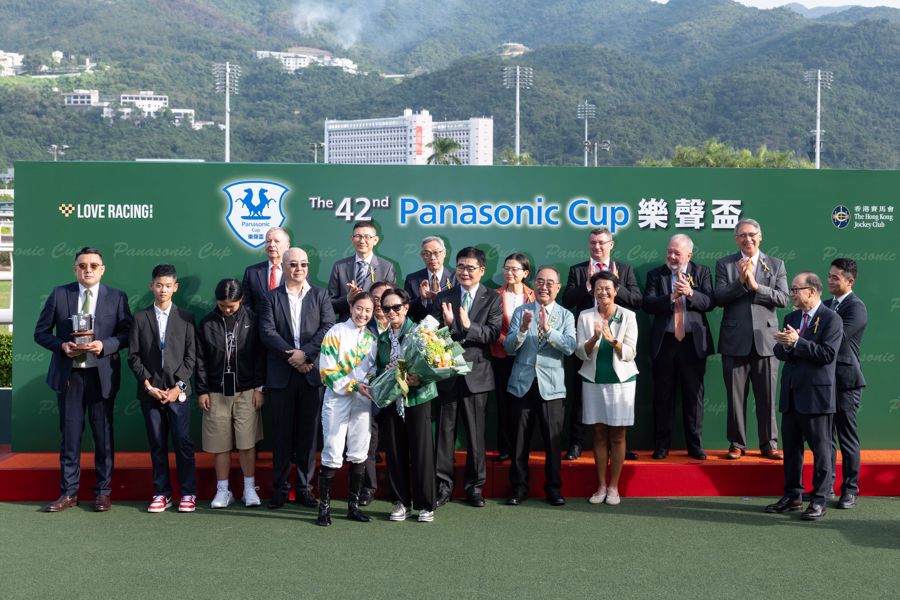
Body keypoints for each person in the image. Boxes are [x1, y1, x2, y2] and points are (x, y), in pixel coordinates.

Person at [33, 247, 133, 512]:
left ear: (102, 269)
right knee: (70, 437)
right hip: (70, 377)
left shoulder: (117, 297)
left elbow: (127, 333)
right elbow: (41, 332)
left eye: (93, 265)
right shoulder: (59, 294)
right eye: (82, 265)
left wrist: (105, 345)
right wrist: (61, 346)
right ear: (74, 269)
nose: (88, 270)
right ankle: (69, 493)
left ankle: (103, 492)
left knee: (104, 437)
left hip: (102, 376)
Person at [258, 247, 335, 509]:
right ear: (284, 266)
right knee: (281, 435)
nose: (299, 268)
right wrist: (293, 356)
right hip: (282, 375)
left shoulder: (321, 295)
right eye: (293, 264)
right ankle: (280, 489)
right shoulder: (271, 297)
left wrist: (306, 355)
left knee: (308, 436)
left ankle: (304, 488)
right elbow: (267, 332)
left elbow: (328, 328)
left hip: (312, 374)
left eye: (303, 264)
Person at [766, 272, 842, 521]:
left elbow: (827, 355)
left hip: (816, 397)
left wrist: (797, 342)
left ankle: (819, 500)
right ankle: (792, 496)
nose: (792, 295)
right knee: (792, 449)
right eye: (791, 290)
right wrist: (786, 345)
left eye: (795, 290)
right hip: (791, 394)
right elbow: (780, 351)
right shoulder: (792, 317)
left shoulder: (831, 319)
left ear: (811, 291)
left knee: (821, 451)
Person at [562, 226, 641, 461]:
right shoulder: (578, 270)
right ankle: (576, 443)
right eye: (593, 243)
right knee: (580, 396)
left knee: (619, 400)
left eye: (601, 242)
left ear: (611, 245)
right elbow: (567, 300)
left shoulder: (624, 270)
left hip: (617, 344)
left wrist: (615, 285)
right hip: (587, 341)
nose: (597, 247)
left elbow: (637, 300)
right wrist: (588, 284)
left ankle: (620, 447)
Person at [431, 247, 502, 508]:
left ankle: (475, 488)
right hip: (448, 374)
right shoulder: (444, 296)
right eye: (460, 266)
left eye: (470, 268)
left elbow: (492, 334)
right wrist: (451, 326)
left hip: (477, 376)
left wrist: (468, 326)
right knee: (444, 435)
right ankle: (442, 487)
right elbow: (433, 334)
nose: (464, 272)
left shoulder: (492, 298)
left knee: (475, 435)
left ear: (482, 270)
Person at [714, 218, 789, 460]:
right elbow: (719, 297)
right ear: (736, 239)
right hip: (734, 340)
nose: (748, 239)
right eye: (743, 235)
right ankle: (736, 444)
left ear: (760, 236)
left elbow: (783, 298)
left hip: (766, 341)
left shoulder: (776, 264)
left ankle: (769, 444)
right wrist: (740, 282)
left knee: (767, 397)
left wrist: (756, 286)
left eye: (752, 234)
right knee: (735, 398)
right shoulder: (725, 264)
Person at [127, 264, 198, 513]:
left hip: (178, 393)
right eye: (159, 285)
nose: (163, 290)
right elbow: (133, 357)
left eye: (168, 286)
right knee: (157, 444)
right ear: (151, 286)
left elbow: (191, 357)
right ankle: (161, 493)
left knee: (183, 443)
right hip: (151, 393)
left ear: (175, 287)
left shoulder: (187, 318)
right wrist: (148, 385)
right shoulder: (140, 318)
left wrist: (178, 388)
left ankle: (188, 493)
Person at [504, 266, 576, 507]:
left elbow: (570, 347)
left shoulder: (566, 315)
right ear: (533, 284)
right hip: (521, 385)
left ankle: (553, 489)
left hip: (552, 388)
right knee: (519, 442)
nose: (544, 287)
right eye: (540, 281)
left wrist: (548, 330)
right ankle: (518, 489)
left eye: (550, 283)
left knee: (552, 443)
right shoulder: (521, 311)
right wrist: (523, 329)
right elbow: (508, 347)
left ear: (558, 287)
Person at [195, 278, 266, 508]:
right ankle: (223, 490)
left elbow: (260, 356)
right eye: (222, 305)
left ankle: (249, 489)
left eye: (231, 306)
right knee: (220, 444)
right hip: (216, 392)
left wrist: (259, 388)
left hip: (247, 390)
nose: (226, 310)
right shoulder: (207, 322)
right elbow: (200, 360)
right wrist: (202, 390)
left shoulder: (253, 320)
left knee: (247, 443)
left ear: (241, 300)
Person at [643, 234, 714, 460]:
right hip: (665, 343)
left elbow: (710, 302)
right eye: (669, 252)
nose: (672, 257)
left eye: (677, 253)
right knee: (663, 396)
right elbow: (647, 304)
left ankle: (695, 445)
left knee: (694, 397)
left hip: (693, 344)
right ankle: (661, 446)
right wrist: (671, 297)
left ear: (689, 255)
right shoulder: (656, 274)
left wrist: (690, 293)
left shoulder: (701, 272)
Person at [575, 271, 639, 506]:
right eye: (598, 288)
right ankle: (601, 486)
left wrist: (612, 340)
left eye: (607, 288)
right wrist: (594, 338)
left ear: (616, 290)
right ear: (592, 291)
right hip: (593, 380)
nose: (603, 292)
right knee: (599, 433)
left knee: (618, 434)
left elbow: (630, 352)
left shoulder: (628, 315)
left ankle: (614, 487)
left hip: (621, 382)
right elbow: (579, 352)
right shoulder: (585, 316)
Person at [376, 287, 438, 522]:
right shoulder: (382, 339)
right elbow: (376, 370)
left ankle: (426, 504)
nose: (391, 312)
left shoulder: (421, 332)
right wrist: (385, 372)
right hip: (391, 400)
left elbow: (436, 364)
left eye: (396, 307)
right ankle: (400, 502)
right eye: (386, 308)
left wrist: (419, 378)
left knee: (421, 452)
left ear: (406, 308)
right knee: (394, 451)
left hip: (418, 397)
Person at [317, 292, 379, 526]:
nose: (363, 314)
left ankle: (353, 507)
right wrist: (354, 385)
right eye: (359, 308)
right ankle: (324, 509)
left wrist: (370, 383)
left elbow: (372, 370)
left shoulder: (371, 338)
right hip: (338, 398)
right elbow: (326, 371)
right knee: (332, 450)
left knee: (359, 450)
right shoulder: (336, 332)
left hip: (362, 401)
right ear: (351, 307)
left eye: (368, 310)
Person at [824, 258, 867, 509]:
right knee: (826, 437)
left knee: (846, 437)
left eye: (835, 277)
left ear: (850, 281)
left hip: (847, 382)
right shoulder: (826, 305)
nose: (830, 281)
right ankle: (826, 487)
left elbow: (835, 339)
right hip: (824, 382)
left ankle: (850, 489)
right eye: (829, 276)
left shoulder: (856, 308)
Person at [490, 253, 534, 463]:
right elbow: (491, 325)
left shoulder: (534, 295)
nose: (509, 272)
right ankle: (505, 447)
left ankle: (522, 448)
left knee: (523, 406)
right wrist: (506, 341)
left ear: (525, 273)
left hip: (527, 358)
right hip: (502, 355)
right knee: (504, 403)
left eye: (514, 269)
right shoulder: (495, 296)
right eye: (506, 268)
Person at [360, 280, 394, 506]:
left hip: (396, 395)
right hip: (369, 395)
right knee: (368, 444)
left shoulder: (403, 327)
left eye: (384, 298)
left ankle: (396, 488)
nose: (380, 303)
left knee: (395, 444)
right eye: (375, 299)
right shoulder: (361, 327)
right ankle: (368, 488)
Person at [327, 221, 396, 323]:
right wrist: (347, 299)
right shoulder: (339, 267)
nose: (362, 241)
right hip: (347, 326)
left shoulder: (387, 268)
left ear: (375, 240)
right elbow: (329, 306)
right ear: (352, 239)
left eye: (367, 237)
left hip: (376, 325)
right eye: (358, 236)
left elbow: (391, 302)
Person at [404, 236, 456, 322]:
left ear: (444, 253)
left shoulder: (456, 277)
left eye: (436, 253)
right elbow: (406, 310)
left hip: (448, 327)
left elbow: (460, 308)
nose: (432, 258)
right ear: (422, 256)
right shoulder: (412, 280)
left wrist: (440, 298)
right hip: (421, 328)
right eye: (427, 254)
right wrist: (421, 299)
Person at [241, 226, 290, 312]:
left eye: (277, 241)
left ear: (287, 246)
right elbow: (246, 306)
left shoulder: (296, 271)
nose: (272, 245)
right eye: (268, 241)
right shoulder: (251, 272)